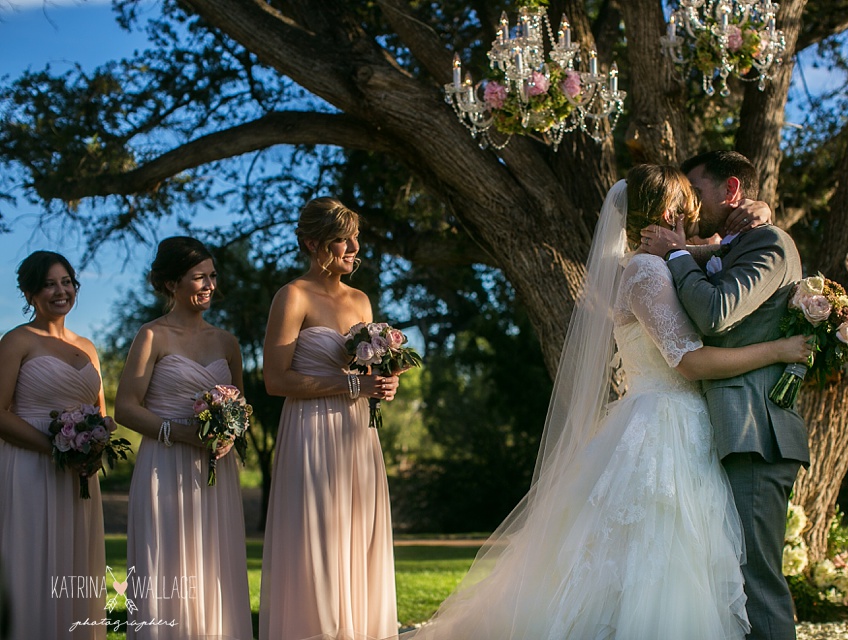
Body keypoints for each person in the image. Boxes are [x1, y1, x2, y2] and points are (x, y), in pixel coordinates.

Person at [400, 165, 812, 640]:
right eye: (688, 203)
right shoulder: (645, 270)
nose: (696, 214)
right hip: (662, 426)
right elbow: (691, 363)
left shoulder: (662, 262)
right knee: (648, 563)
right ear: (665, 212)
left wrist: (755, 215)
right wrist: (778, 350)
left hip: (685, 424)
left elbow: (715, 252)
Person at [640, 150, 808, 640]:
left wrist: (673, 254)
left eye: (697, 192)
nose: (690, 207)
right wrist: (679, 252)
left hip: (756, 432)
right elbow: (710, 260)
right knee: (730, 584)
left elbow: (715, 312)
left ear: (730, 190)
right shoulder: (733, 246)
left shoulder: (770, 243)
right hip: (728, 431)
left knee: (757, 586)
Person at [259, 197, 400, 640]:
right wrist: (352, 387)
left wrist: (385, 384)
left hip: (358, 434)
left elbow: (367, 372)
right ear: (312, 243)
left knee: (359, 534)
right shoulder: (293, 296)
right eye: (343, 239)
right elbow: (275, 380)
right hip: (310, 431)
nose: (355, 247)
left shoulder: (361, 301)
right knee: (315, 539)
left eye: (355, 237)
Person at [115, 237, 252, 640]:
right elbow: (126, 407)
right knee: (169, 565)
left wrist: (232, 432)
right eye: (198, 277)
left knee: (215, 565)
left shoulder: (226, 342)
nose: (209, 285)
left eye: (212, 276)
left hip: (216, 471)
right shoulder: (152, 336)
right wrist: (184, 435)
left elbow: (242, 408)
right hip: (165, 465)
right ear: (172, 283)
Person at [0, 251, 107, 639]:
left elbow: (101, 414)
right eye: (49, 283)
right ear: (30, 294)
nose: (60, 291)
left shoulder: (88, 347)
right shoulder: (17, 341)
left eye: (67, 282)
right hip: (30, 467)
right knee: (32, 561)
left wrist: (94, 448)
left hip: (79, 474)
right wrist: (55, 447)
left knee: (74, 565)